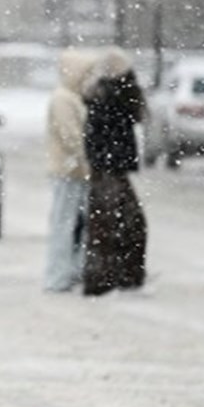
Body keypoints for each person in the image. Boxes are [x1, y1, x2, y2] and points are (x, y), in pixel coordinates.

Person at [81, 47, 148, 296]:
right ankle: (112, 278)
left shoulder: (105, 96)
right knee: (116, 225)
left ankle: (109, 277)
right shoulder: (114, 96)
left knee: (110, 224)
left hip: (107, 168)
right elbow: (133, 115)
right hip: (110, 169)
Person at [43, 48, 99, 292]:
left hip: (77, 171)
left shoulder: (73, 97)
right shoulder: (63, 99)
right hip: (68, 172)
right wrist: (87, 159)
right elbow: (71, 137)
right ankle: (58, 277)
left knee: (77, 225)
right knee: (64, 225)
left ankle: (73, 272)